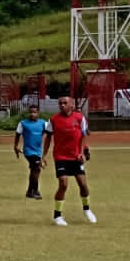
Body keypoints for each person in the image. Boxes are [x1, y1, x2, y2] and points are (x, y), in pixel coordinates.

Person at [43, 94, 96, 226]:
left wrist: (83, 151)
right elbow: (48, 137)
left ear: (71, 105)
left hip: (75, 156)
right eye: (60, 103)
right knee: (63, 184)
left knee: (83, 184)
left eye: (65, 103)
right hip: (60, 157)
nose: (62, 105)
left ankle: (87, 209)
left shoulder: (79, 117)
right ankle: (57, 216)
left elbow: (84, 134)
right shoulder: (53, 120)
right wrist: (43, 155)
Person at [13, 101, 48, 200]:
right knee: (36, 168)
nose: (32, 114)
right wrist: (15, 146)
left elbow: (50, 132)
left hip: (38, 151)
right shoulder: (23, 123)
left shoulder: (43, 123)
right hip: (28, 151)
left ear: (38, 113)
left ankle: (29, 191)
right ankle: (35, 191)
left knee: (34, 170)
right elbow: (17, 134)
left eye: (35, 112)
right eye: (31, 112)